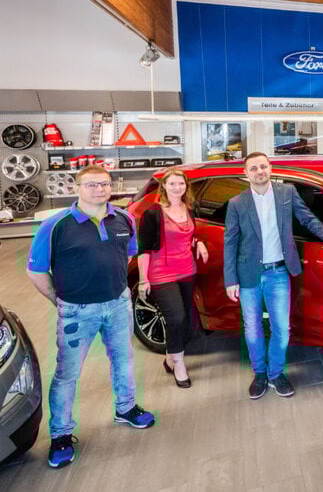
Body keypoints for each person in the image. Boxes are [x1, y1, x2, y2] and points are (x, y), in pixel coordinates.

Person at [26, 165, 155, 469]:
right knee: (67, 374)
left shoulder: (124, 218)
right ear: (78, 187)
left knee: (124, 361)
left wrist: (116, 286)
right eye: (92, 185)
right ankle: (60, 434)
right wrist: (60, 300)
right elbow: (36, 271)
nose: (99, 189)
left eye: (105, 184)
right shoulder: (56, 225)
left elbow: (128, 254)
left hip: (117, 304)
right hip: (76, 312)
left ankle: (125, 408)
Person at [223, 152, 323, 400]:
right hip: (248, 274)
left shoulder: (286, 193)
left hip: (279, 271)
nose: (259, 172)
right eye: (254, 168)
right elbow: (230, 242)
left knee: (282, 329)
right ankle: (260, 374)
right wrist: (230, 279)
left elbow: (307, 218)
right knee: (253, 328)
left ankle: (276, 373)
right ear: (246, 174)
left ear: (270, 168)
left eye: (263, 167)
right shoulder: (236, 203)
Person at [137, 169, 210, 387]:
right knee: (176, 318)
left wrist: (199, 242)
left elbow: (190, 233)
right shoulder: (153, 213)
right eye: (172, 184)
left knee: (185, 319)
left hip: (188, 270)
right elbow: (144, 249)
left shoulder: (189, 208)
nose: (177, 187)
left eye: (181, 183)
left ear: (186, 186)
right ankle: (179, 364)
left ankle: (170, 358)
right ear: (164, 186)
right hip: (161, 273)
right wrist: (143, 279)